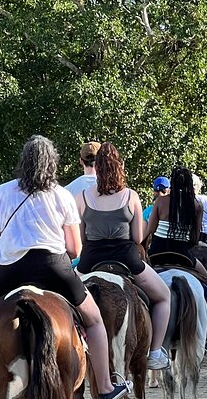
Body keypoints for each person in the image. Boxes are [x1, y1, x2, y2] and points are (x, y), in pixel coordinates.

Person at [0, 136, 130, 399]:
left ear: (23, 163)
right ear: (52, 164)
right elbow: (75, 249)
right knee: (95, 321)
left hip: (10, 271)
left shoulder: (2, 193)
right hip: (54, 269)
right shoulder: (62, 195)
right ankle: (107, 387)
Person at [74, 142, 171, 370]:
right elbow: (137, 237)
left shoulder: (82, 198)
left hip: (90, 261)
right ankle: (155, 352)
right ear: (120, 167)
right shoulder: (131, 196)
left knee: (61, 299)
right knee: (164, 296)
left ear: (96, 167)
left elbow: (81, 239)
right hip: (126, 259)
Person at [144, 166, 207, 313]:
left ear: (173, 184)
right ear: (190, 183)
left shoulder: (161, 202)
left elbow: (149, 231)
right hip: (183, 255)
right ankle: (206, 329)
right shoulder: (196, 205)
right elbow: (194, 239)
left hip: (157, 253)